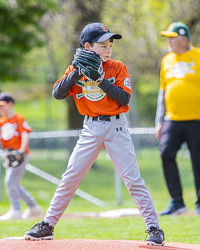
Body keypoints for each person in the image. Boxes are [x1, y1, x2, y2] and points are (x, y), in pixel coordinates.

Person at [24, 22, 164, 246]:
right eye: (103, 45)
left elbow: (124, 98)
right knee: (71, 176)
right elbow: (58, 93)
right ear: (87, 46)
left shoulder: (117, 67)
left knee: (132, 179)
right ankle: (47, 225)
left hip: (116, 127)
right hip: (90, 128)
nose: (108, 49)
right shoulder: (76, 68)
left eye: (110, 45)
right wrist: (78, 73)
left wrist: (99, 79)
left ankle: (154, 228)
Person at [155, 22, 200, 216]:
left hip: (196, 120)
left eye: (172, 38)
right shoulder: (166, 60)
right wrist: (159, 121)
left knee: (198, 161)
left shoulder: (198, 56)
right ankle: (177, 202)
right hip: (172, 119)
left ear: (184, 39)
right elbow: (162, 91)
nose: (169, 42)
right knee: (166, 154)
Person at [0, 92, 41, 220]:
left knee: (10, 181)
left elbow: (24, 134)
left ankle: (16, 210)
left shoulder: (18, 118)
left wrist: (21, 151)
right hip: (10, 155)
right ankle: (33, 207)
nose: (1, 109)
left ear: (10, 104)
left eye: (3, 105)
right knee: (14, 183)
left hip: (20, 155)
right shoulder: (2, 121)